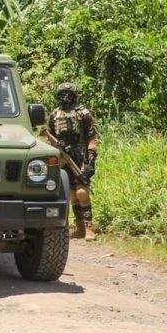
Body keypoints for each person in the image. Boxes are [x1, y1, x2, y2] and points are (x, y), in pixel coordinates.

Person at [48, 82, 99, 241]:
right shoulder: (54, 115)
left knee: (82, 192)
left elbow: (92, 138)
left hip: (80, 156)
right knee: (71, 194)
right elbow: (49, 137)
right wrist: (57, 146)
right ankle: (79, 227)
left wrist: (91, 160)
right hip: (63, 157)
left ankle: (89, 227)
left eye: (69, 94)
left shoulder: (83, 113)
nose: (66, 97)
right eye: (63, 94)